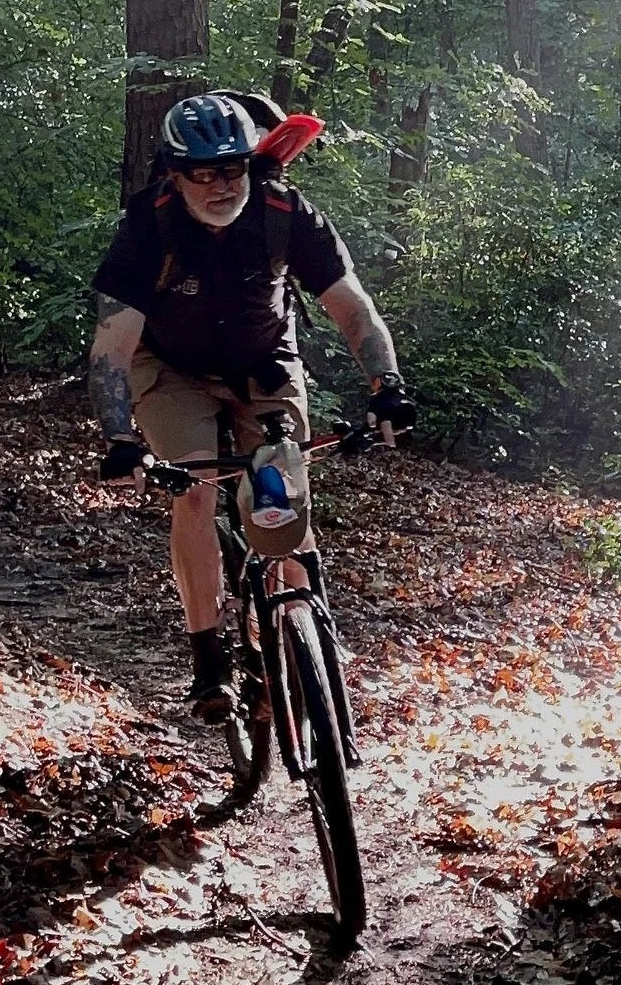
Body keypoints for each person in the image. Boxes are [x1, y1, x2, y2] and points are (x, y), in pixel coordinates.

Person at [87, 92, 416, 719]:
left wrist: (387, 385)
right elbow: (113, 344)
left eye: (231, 168)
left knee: (281, 500)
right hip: (172, 367)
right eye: (202, 173)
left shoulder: (283, 211)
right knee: (197, 488)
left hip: (264, 364)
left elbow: (351, 306)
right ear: (175, 174)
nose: (219, 185)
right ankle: (208, 656)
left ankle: (304, 637)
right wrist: (119, 436)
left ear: (253, 165)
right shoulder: (148, 225)